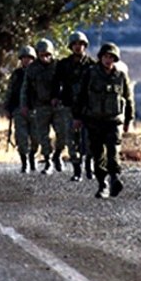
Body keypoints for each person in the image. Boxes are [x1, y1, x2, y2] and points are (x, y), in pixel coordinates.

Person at [73, 42, 134, 198]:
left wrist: (128, 119)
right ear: (101, 57)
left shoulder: (120, 76)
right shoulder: (90, 74)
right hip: (93, 121)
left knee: (113, 152)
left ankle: (115, 178)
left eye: (112, 57)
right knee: (98, 154)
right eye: (106, 57)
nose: (109, 60)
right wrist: (77, 117)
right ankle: (102, 184)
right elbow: (80, 96)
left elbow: (128, 98)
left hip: (113, 121)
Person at [55, 31, 97, 181]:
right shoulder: (63, 65)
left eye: (81, 44)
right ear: (71, 46)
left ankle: (89, 166)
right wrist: (55, 97)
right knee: (71, 139)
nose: (78, 47)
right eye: (75, 44)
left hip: (88, 107)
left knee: (89, 139)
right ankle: (77, 170)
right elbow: (56, 83)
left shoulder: (93, 66)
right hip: (68, 106)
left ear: (85, 46)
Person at [20, 38, 58, 174]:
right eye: (42, 55)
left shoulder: (58, 66)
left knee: (63, 134)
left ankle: (57, 154)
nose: (45, 58)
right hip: (40, 106)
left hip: (57, 106)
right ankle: (48, 161)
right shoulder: (32, 69)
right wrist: (24, 105)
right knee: (43, 135)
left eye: (48, 54)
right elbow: (25, 88)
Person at [4, 45, 39, 173]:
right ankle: (25, 163)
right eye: (24, 58)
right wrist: (8, 108)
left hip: (35, 110)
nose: (26, 60)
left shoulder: (38, 73)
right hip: (19, 110)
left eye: (29, 58)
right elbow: (10, 91)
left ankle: (32, 156)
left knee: (36, 138)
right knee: (21, 137)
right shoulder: (17, 74)